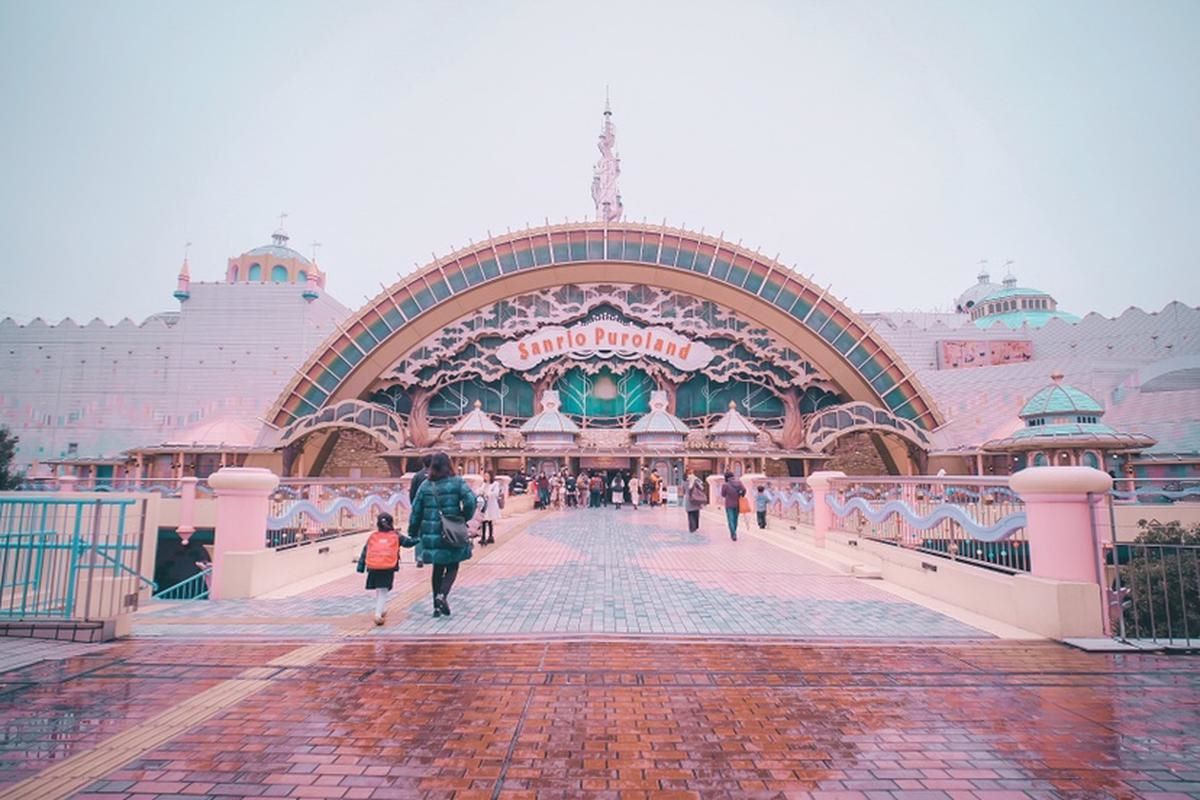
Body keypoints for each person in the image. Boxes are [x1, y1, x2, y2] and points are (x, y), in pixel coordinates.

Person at [404, 451, 477, 617]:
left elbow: (416, 510)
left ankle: (436, 607)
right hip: (452, 530)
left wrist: (413, 532)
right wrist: (464, 517)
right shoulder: (457, 482)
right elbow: (471, 501)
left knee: (438, 567)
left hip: (432, 533)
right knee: (453, 565)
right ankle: (442, 595)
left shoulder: (425, 485)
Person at [357, 513, 401, 626]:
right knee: (383, 590)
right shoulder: (395, 535)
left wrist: (360, 567)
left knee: (380, 589)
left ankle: (382, 609)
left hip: (373, 567)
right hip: (387, 567)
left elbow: (365, 551)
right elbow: (409, 542)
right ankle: (378, 614)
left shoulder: (373, 536)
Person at [408, 454, 432, 568]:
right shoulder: (436, 475)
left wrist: (414, 505)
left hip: (419, 508)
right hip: (432, 509)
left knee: (418, 533)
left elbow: (412, 493)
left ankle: (419, 557)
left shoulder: (417, 476)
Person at [719, 471, 746, 541]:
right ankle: (734, 532)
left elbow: (723, 494)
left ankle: (733, 534)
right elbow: (744, 490)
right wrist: (741, 495)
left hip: (729, 504)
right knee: (735, 519)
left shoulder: (725, 485)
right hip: (737, 503)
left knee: (730, 519)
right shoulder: (739, 483)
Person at [479, 471, 501, 546]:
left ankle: (490, 536)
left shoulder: (495, 484)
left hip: (491, 505)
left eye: (487, 476)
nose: (486, 477)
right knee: (483, 521)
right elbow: (480, 491)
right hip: (484, 505)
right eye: (485, 476)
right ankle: (483, 537)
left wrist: (488, 494)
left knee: (490, 521)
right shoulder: (484, 484)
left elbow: (496, 493)